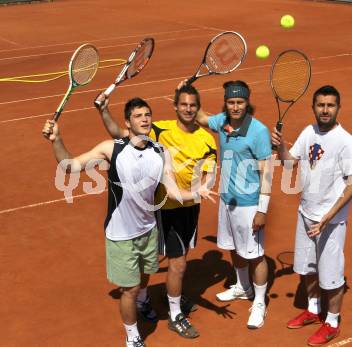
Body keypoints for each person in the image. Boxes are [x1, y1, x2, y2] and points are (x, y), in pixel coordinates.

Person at [42, 96, 215, 347]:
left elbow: (172, 190)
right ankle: (133, 337)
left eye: (147, 115)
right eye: (138, 116)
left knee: (144, 278)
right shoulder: (111, 149)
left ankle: (144, 303)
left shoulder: (159, 151)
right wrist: (56, 140)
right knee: (130, 289)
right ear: (128, 122)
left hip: (148, 230)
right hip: (121, 234)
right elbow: (69, 167)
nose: (144, 119)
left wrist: (197, 193)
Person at [96, 84, 217, 339]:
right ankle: (174, 314)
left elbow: (209, 173)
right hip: (163, 208)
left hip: (189, 207)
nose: (187, 109)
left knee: (170, 262)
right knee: (179, 264)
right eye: (183, 104)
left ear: (198, 108)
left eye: (192, 105)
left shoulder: (206, 139)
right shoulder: (158, 128)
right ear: (175, 106)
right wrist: (104, 112)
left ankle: (145, 298)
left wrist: (203, 188)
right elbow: (122, 135)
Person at [271, 85, 352, 346]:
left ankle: (332, 321)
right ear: (313, 107)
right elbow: (290, 162)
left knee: (332, 275)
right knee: (308, 268)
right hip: (305, 213)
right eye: (320, 105)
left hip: (330, 222)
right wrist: (280, 147)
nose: (325, 110)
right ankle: (313, 309)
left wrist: (328, 216)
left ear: (338, 108)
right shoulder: (308, 132)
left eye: (330, 105)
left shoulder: (346, 141)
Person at [194, 80, 273, 329]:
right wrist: (185, 91)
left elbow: (267, 173)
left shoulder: (258, 131)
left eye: (240, 102)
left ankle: (259, 302)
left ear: (247, 102)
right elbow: (201, 118)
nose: (235, 106)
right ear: (226, 103)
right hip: (227, 200)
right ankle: (242, 286)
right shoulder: (223, 122)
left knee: (256, 255)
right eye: (231, 102)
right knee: (233, 248)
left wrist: (262, 210)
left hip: (249, 205)